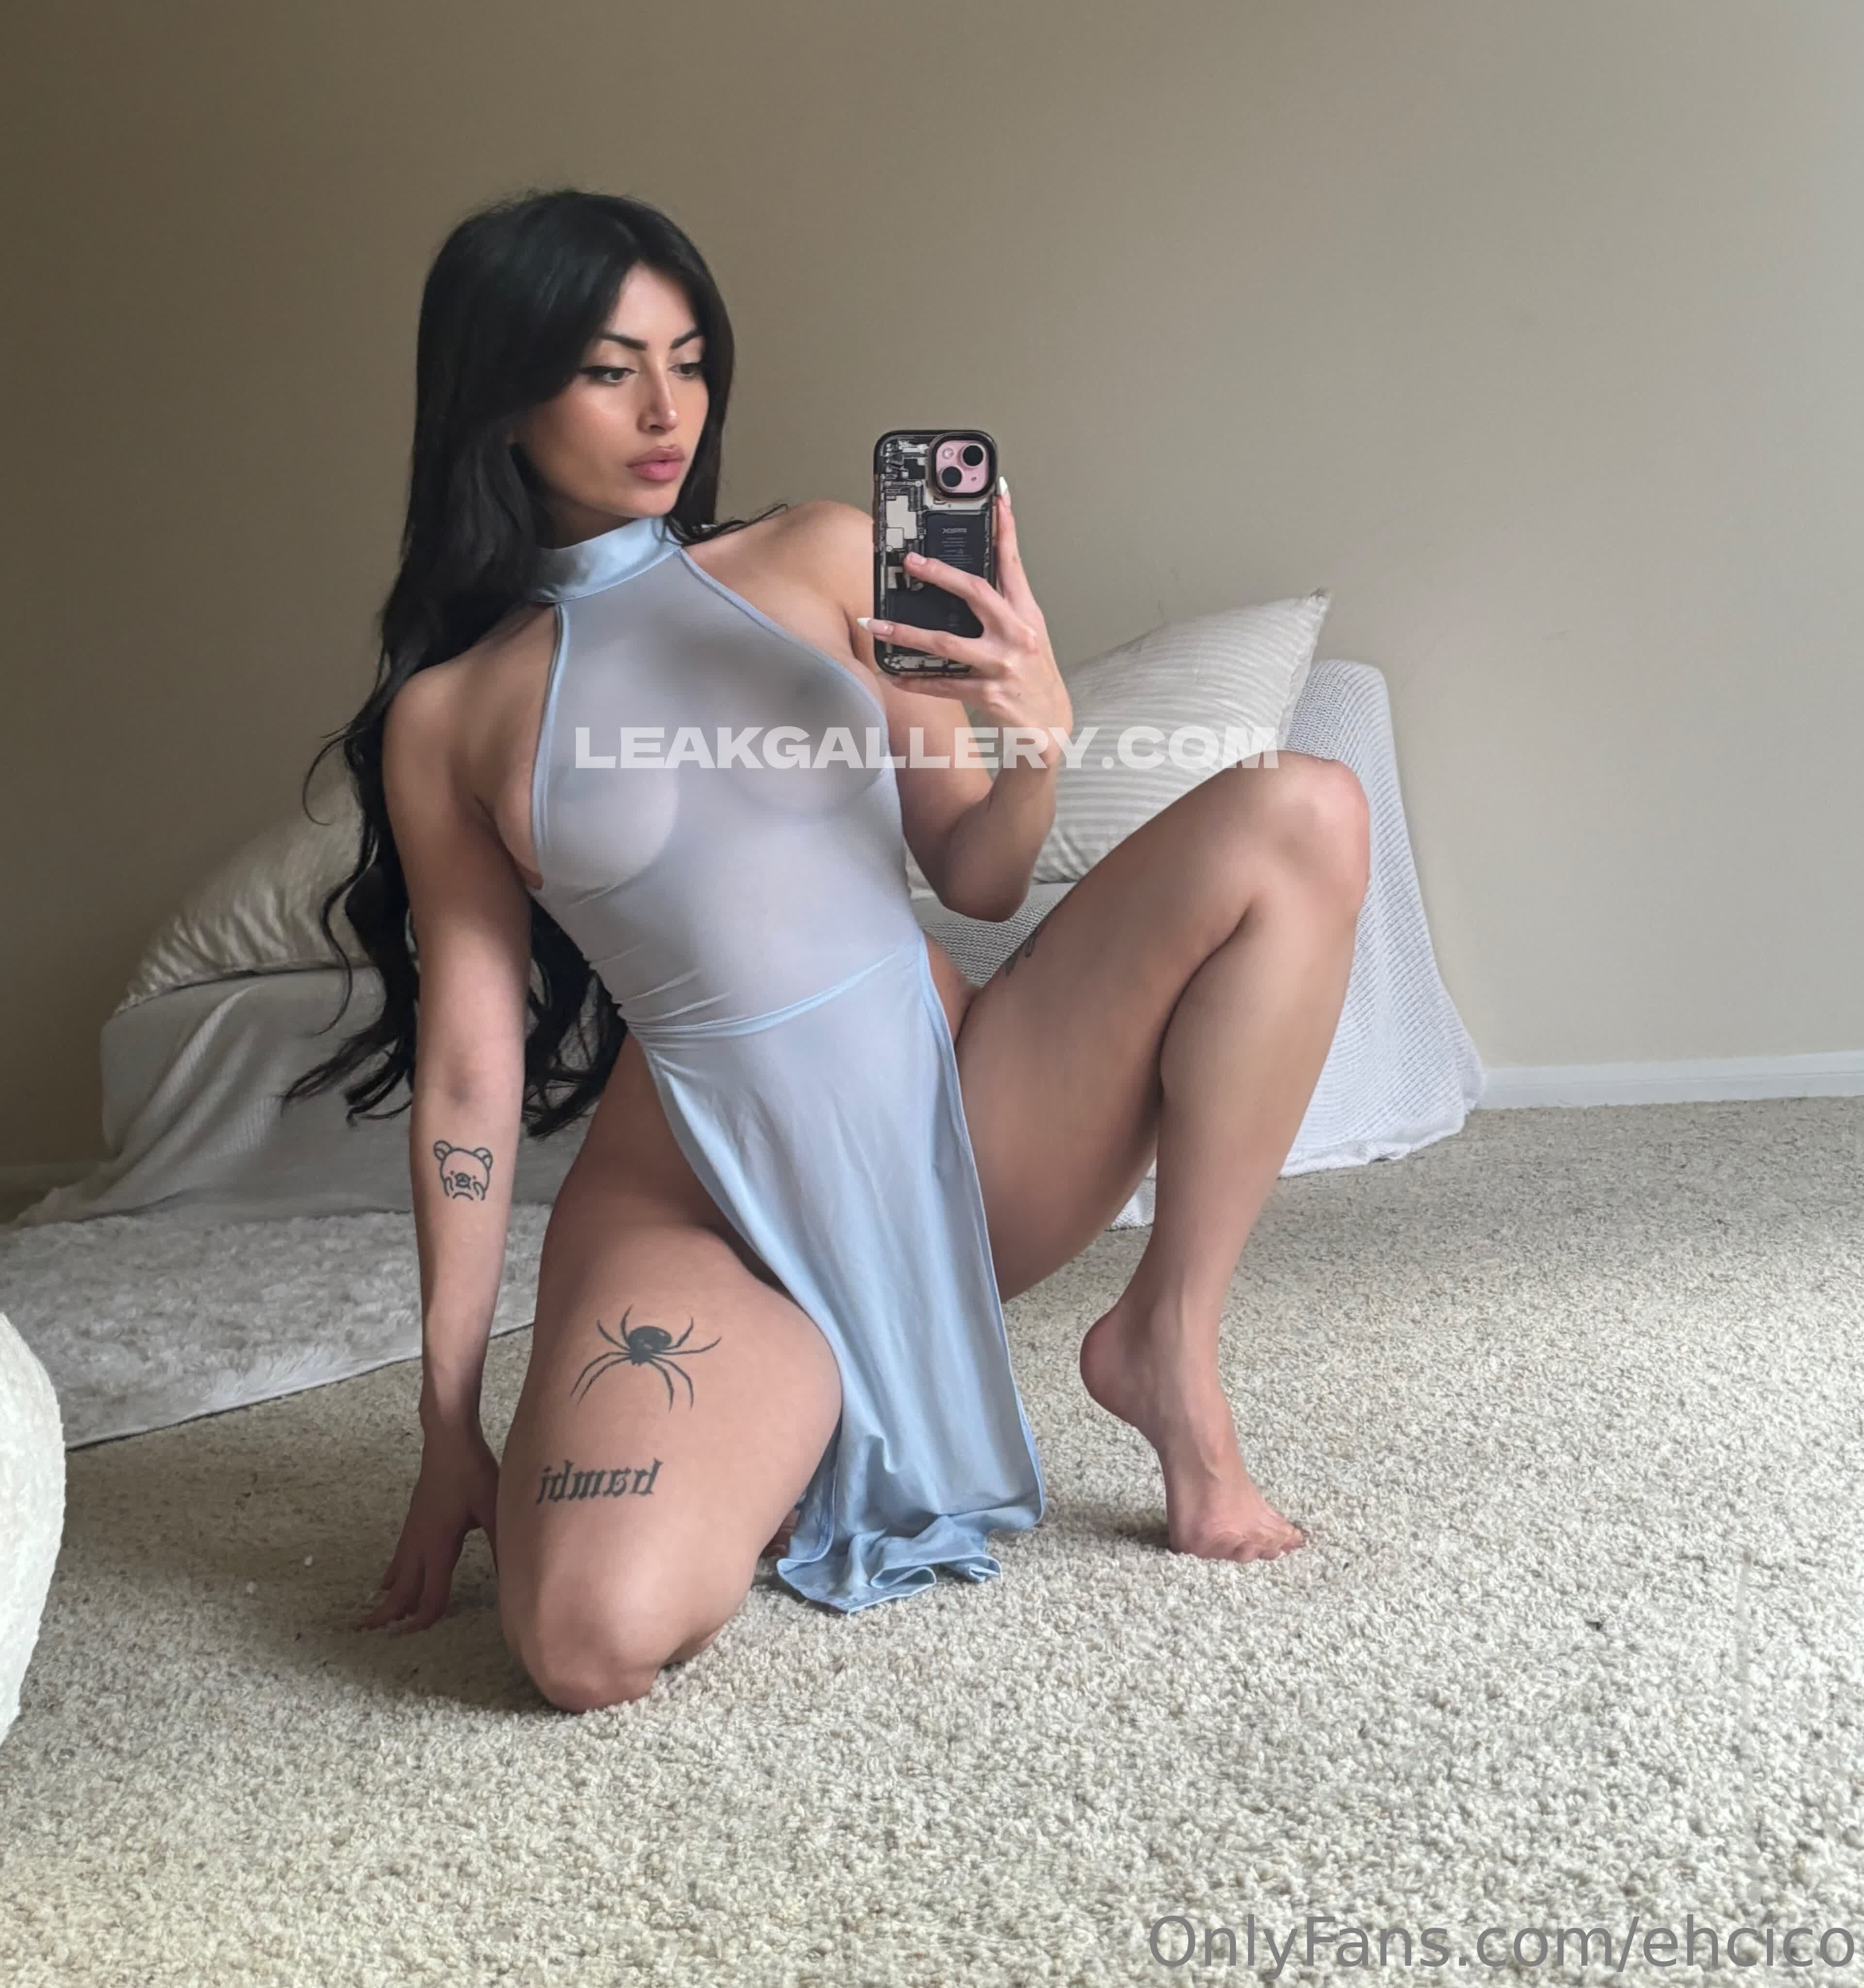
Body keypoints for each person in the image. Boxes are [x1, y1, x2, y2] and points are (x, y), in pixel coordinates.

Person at [288, 189, 1368, 1711]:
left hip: (951, 1127)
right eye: (608, 370)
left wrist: (1036, 738)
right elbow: (470, 1075)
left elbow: (979, 874)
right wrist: (447, 1421)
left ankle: (1165, 1348)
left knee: (1303, 812)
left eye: (689, 360)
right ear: (503, 397)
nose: (666, 411)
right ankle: (769, 1397)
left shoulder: (821, 557)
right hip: (697, 1211)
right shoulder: (451, 717)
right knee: (585, 1641)